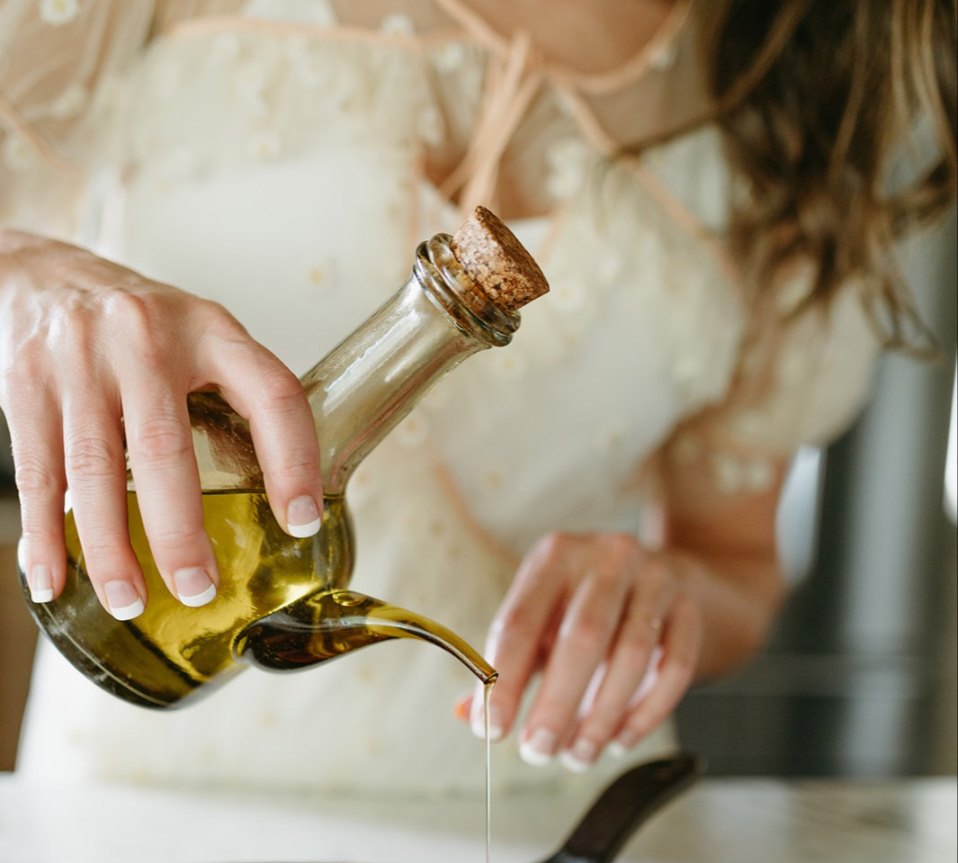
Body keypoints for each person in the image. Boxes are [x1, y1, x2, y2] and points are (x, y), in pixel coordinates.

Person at [1, 0, 955, 799]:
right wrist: (28, 279)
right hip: (129, 805)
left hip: (534, 843)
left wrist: (666, 600)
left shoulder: (801, 110)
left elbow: (733, 559)